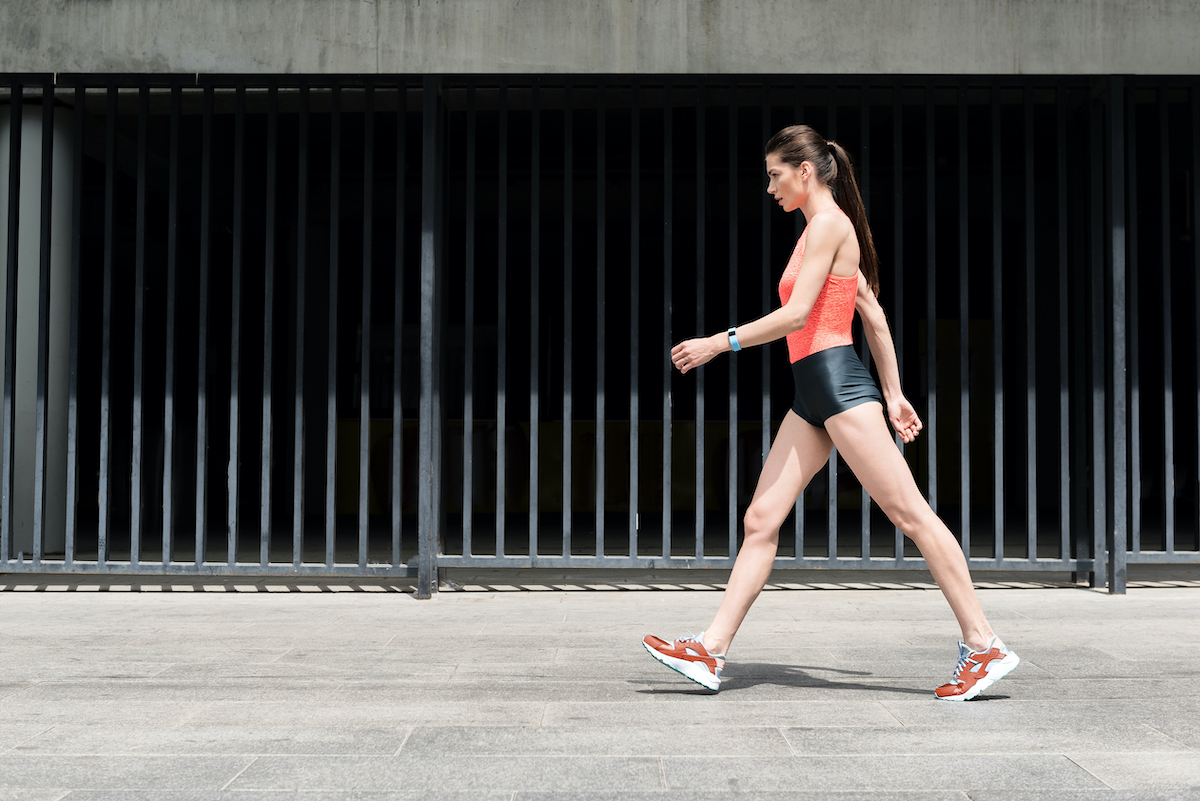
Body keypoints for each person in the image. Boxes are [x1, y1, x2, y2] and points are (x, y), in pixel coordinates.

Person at [642, 124, 1019, 701]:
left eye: (775, 174)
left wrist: (720, 342)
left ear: (805, 171)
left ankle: (984, 643)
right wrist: (894, 392)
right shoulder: (818, 230)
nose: (769, 187)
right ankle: (711, 651)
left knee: (911, 515)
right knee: (761, 519)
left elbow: (795, 317)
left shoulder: (829, 225)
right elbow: (872, 310)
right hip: (813, 393)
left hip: (838, 386)